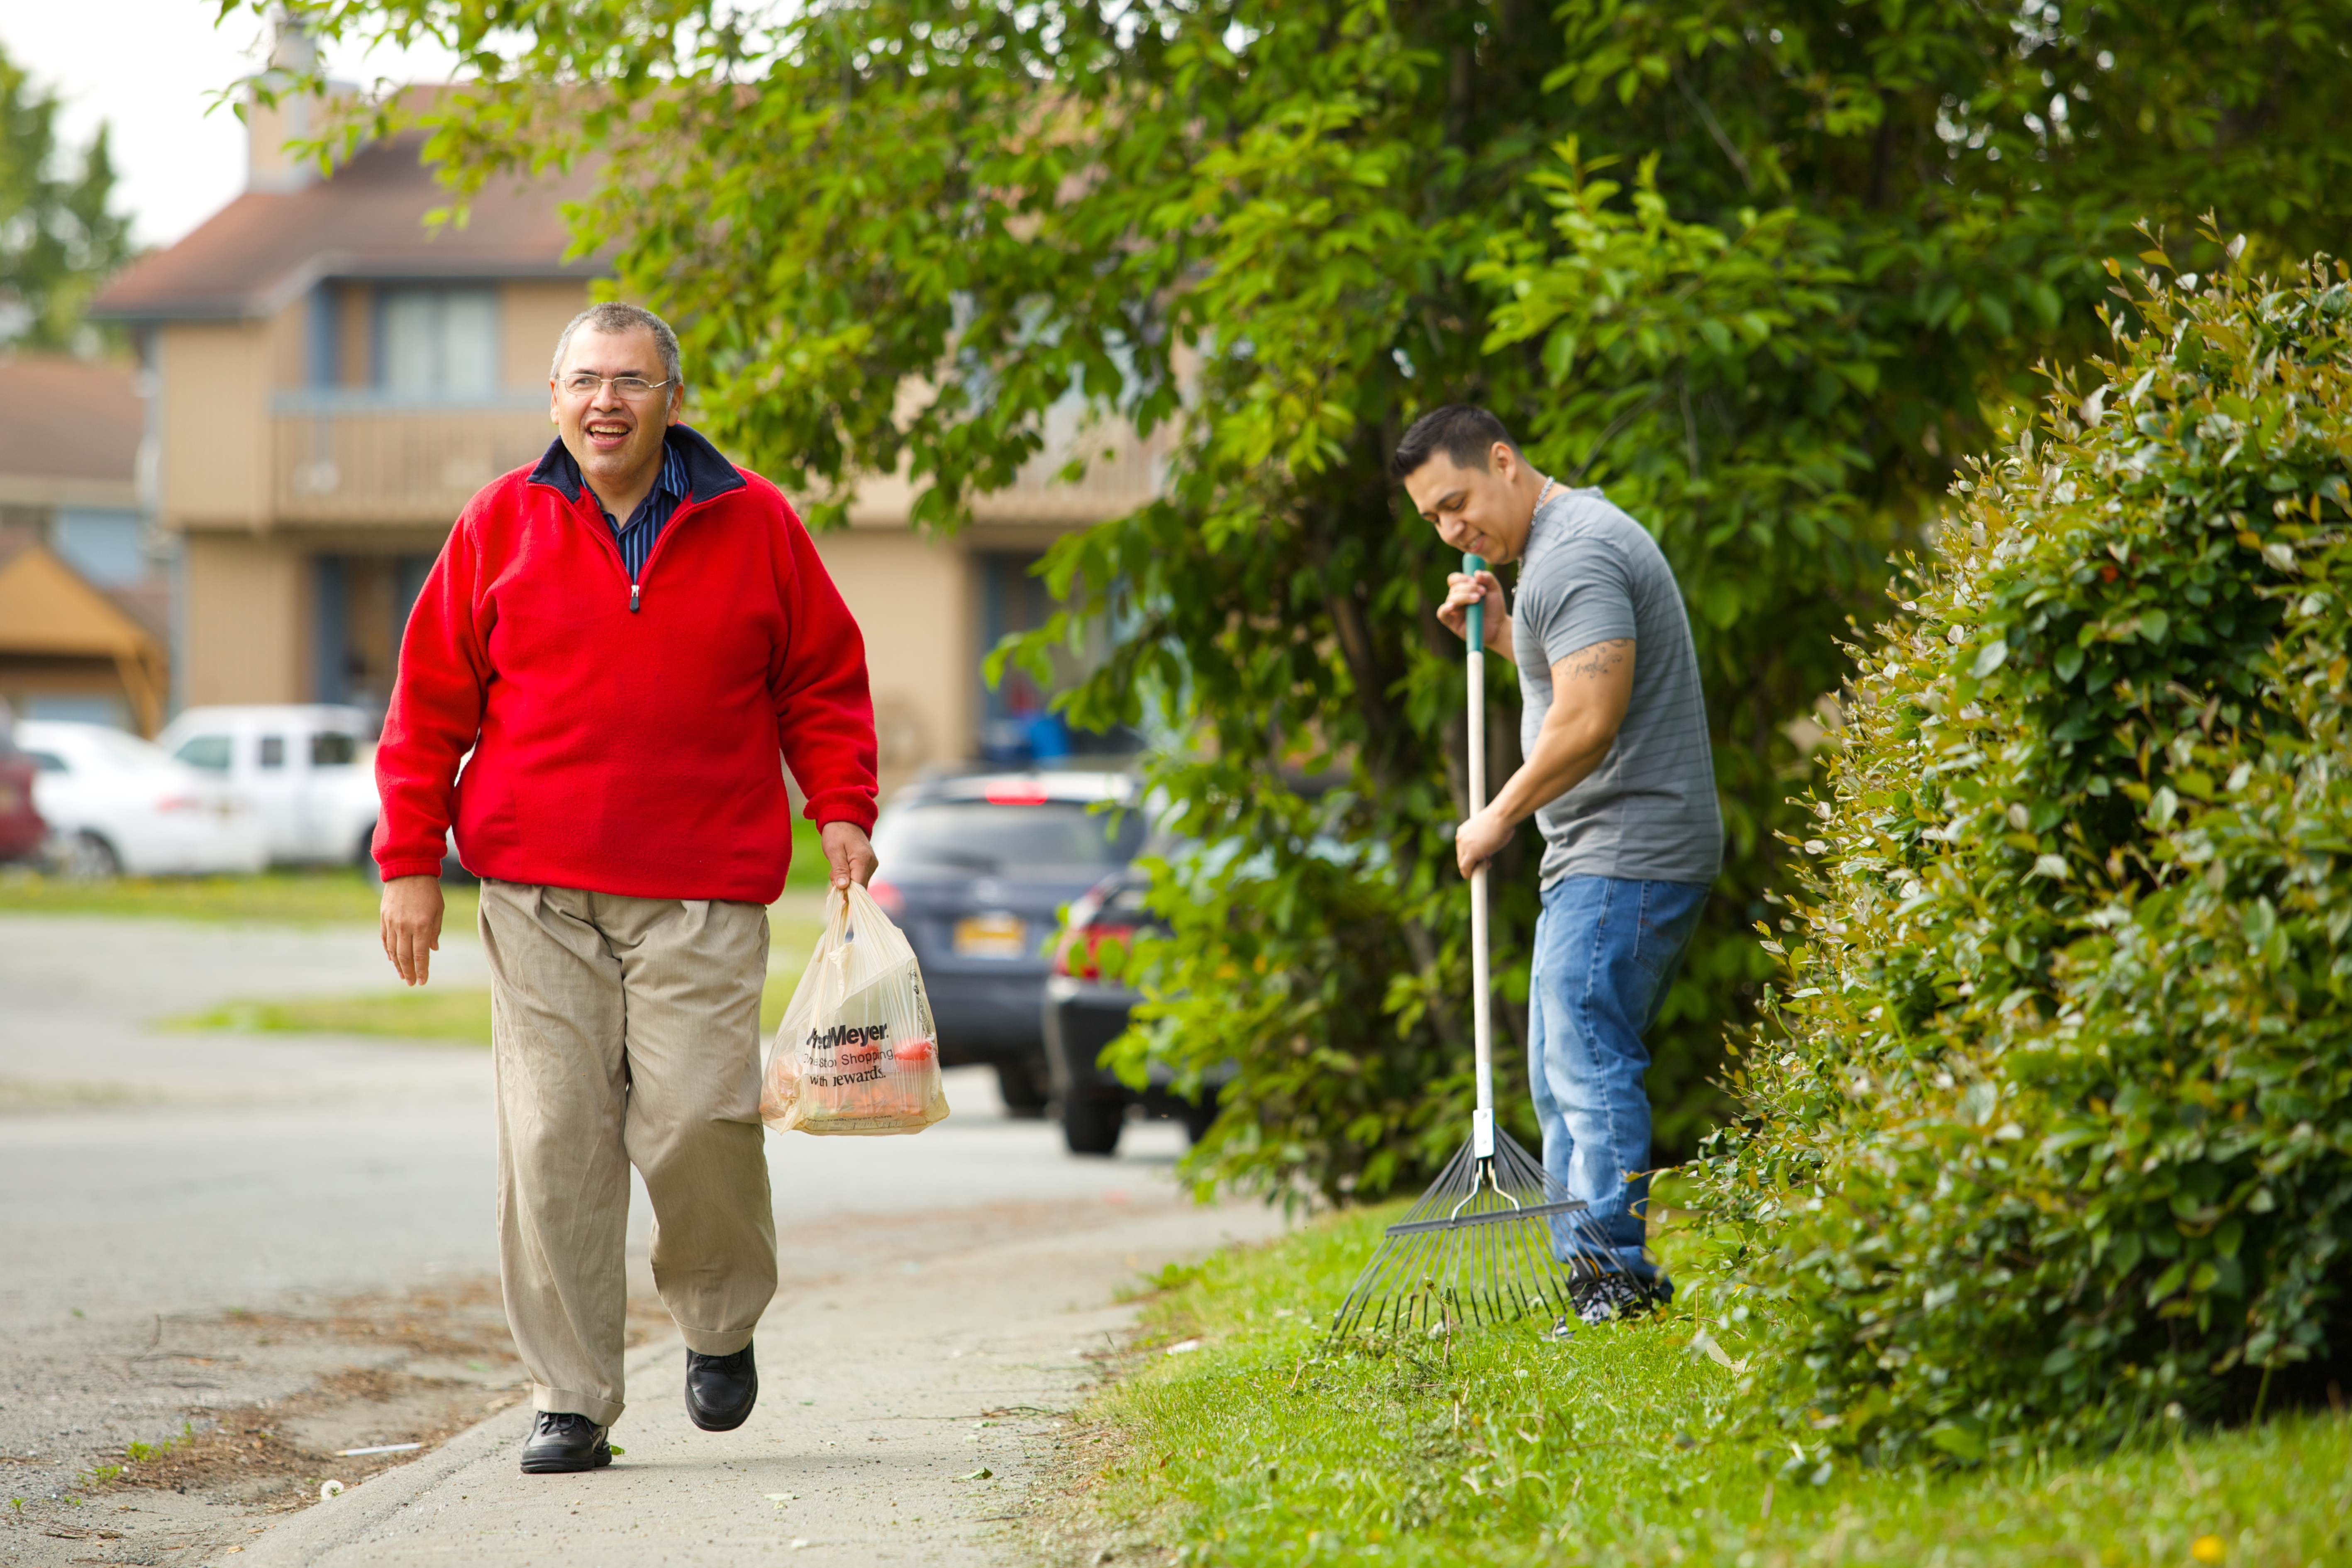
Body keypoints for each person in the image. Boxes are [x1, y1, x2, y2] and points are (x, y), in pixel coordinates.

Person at [373, 302, 881, 1473]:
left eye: (632, 380)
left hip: (702, 884)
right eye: (585, 380)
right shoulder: (500, 521)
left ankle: (717, 1319)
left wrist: (842, 807)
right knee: (554, 1134)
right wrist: (408, 862)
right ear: (552, 400)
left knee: (699, 1115)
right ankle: (573, 1392)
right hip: (536, 886)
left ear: (672, 402)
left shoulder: (754, 524)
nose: (607, 399)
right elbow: (427, 704)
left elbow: (823, 679)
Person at [1394, 405, 1721, 1323]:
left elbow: (1588, 720)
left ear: (1503, 462)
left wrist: (1494, 814)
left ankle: (1610, 1278)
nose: (1452, 531)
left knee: (1586, 1057)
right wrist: (1503, 632)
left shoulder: (1574, 551)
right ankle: (1593, 1269)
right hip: (1602, 848)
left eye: (1457, 503)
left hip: (1629, 847)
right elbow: (1562, 682)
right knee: (1559, 1062)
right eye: (1433, 520)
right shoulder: (1546, 561)